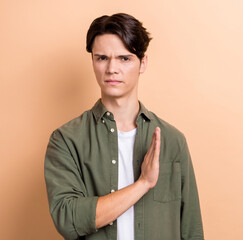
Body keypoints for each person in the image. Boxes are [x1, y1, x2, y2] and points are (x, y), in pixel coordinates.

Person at [44, 13, 204, 240]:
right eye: (102, 58)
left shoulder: (172, 140)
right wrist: (143, 184)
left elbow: (191, 230)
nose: (112, 68)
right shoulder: (67, 140)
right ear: (92, 62)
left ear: (143, 63)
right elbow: (68, 220)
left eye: (124, 58)